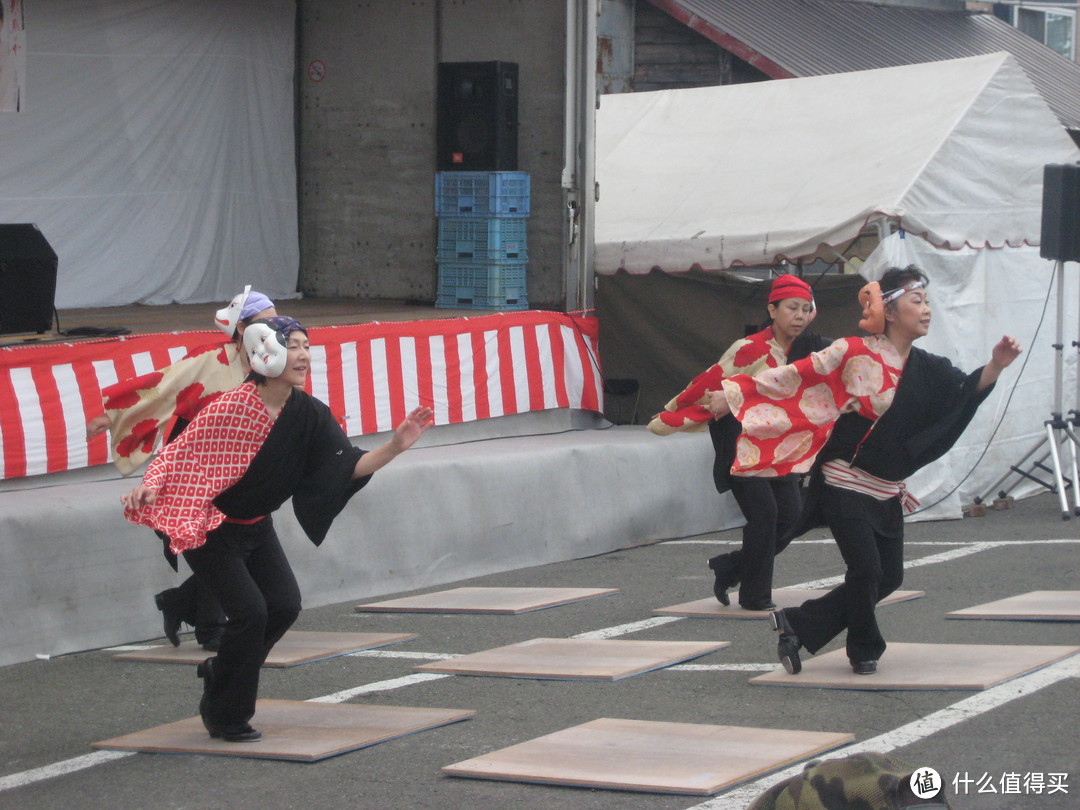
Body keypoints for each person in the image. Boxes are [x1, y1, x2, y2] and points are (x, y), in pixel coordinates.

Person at [122, 316, 432, 742]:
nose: (304, 354)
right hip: (209, 524)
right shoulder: (230, 405)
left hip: (256, 526)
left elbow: (344, 466)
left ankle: (223, 668)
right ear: (266, 353)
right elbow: (176, 455)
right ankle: (225, 714)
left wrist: (394, 447)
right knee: (252, 613)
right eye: (294, 345)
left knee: (284, 606)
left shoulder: (308, 413)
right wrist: (148, 487)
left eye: (307, 345)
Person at [708, 266, 1020, 675]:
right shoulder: (854, 351)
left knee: (889, 577)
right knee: (866, 569)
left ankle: (798, 624)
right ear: (889, 310)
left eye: (926, 302)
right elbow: (795, 378)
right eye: (917, 301)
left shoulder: (930, 367)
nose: (927, 310)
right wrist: (734, 396)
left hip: (884, 487)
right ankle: (864, 648)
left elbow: (964, 392)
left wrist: (995, 365)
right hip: (843, 479)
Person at [89, 287, 278, 650]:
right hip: (195, 461)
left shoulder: (273, 360)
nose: (274, 330)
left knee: (235, 544)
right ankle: (210, 627)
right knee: (214, 538)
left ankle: (181, 603)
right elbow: (162, 386)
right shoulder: (209, 360)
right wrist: (113, 415)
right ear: (240, 330)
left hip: (240, 467)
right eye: (264, 324)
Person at [648, 274, 828, 610]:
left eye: (806, 309)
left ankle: (731, 566)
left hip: (776, 449)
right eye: (792, 308)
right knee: (766, 516)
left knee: (791, 515)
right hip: (741, 447)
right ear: (772, 310)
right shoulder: (749, 349)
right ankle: (755, 595)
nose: (800, 315)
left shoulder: (807, 349)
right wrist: (675, 412)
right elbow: (710, 383)